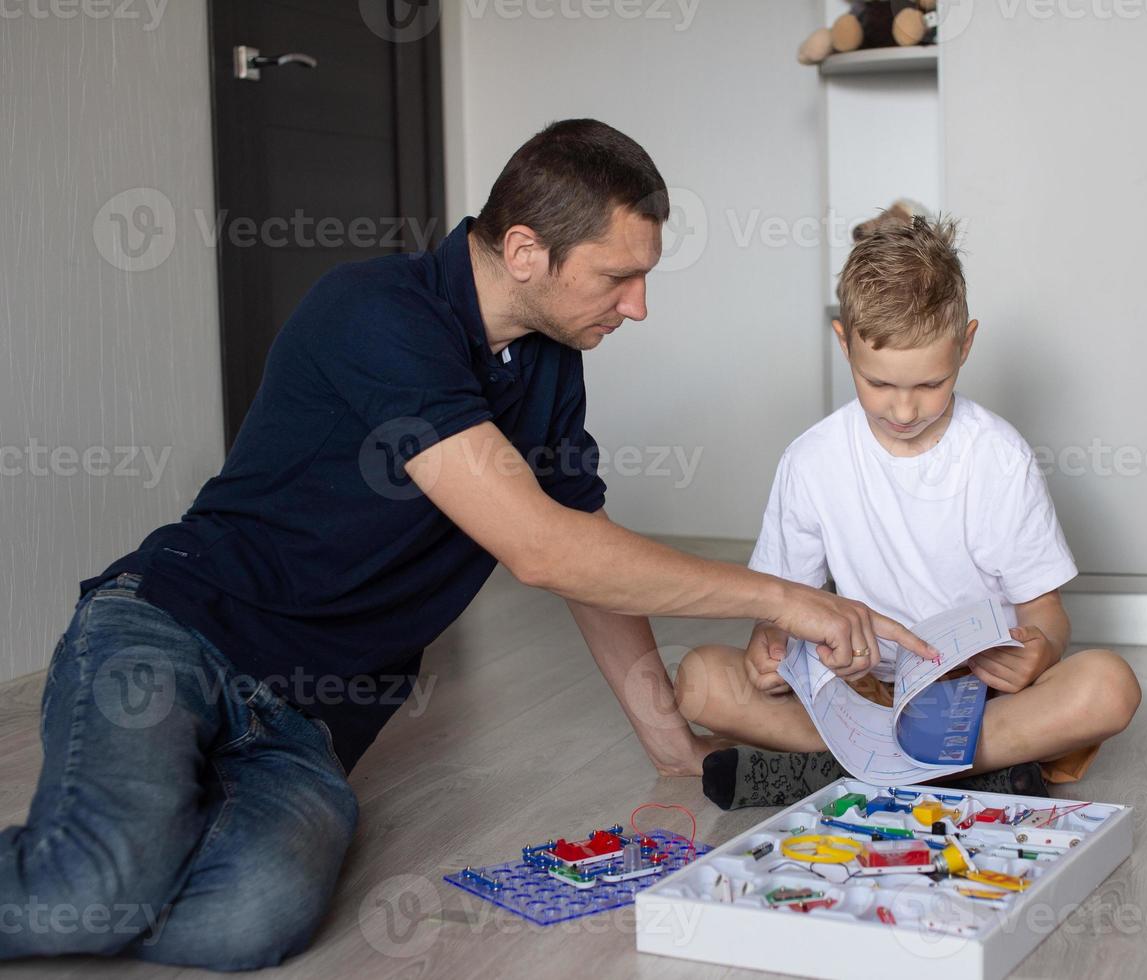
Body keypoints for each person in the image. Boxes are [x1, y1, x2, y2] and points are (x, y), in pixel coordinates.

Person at [0, 119, 937, 970]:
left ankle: (132, 830)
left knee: (243, 923)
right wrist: (780, 596)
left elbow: (586, 546)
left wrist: (669, 742)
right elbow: (540, 549)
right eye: (619, 276)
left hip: (302, 721)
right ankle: (107, 848)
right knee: (87, 894)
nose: (639, 306)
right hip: (172, 635)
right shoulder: (374, 312)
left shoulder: (548, 367)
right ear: (525, 250)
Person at [676, 215, 1142, 810]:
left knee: (1108, 686)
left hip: (977, 699)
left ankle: (847, 770)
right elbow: (780, 609)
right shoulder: (811, 461)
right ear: (844, 343)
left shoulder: (998, 457)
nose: (902, 409)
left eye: (930, 384)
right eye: (878, 384)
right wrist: (770, 653)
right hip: (864, 693)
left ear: (966, 344)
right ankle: (968, 772)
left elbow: (1047, 616)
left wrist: (1038, 655)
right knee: (700, 682)